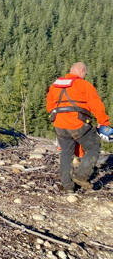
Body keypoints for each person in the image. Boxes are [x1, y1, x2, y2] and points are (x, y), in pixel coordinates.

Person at [46, 62, 110, 192]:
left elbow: (49, 106)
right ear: (81, 71)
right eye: (85, 73)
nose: (85, 76)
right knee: (93, 147)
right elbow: (96, 105)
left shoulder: (55, 85)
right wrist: (104, 122)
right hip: (77, 123)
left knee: (65, 153)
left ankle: (68, 186)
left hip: (59, 124)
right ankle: (81, 176)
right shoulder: (84, 85)